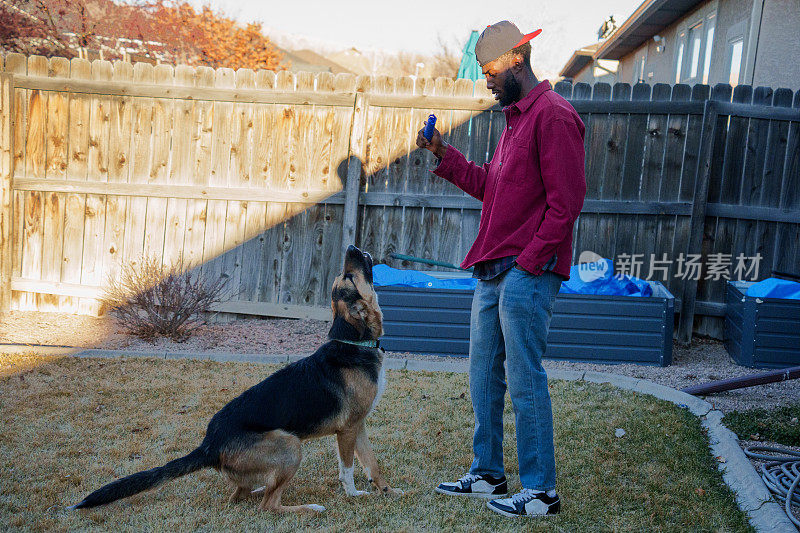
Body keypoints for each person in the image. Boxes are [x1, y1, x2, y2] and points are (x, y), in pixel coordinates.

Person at [416, 20, 586, 518]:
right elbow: (492, 185)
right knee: (482, 373)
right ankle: (488, 472)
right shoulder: (515, 120)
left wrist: (529, 265)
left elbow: (567, 203)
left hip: (525, 270)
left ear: (515, 60)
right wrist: (443, 155)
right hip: (494, 265)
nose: (485, 80)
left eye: (489, 70)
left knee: (523, 375)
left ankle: (541, 490)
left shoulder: (553, 117)